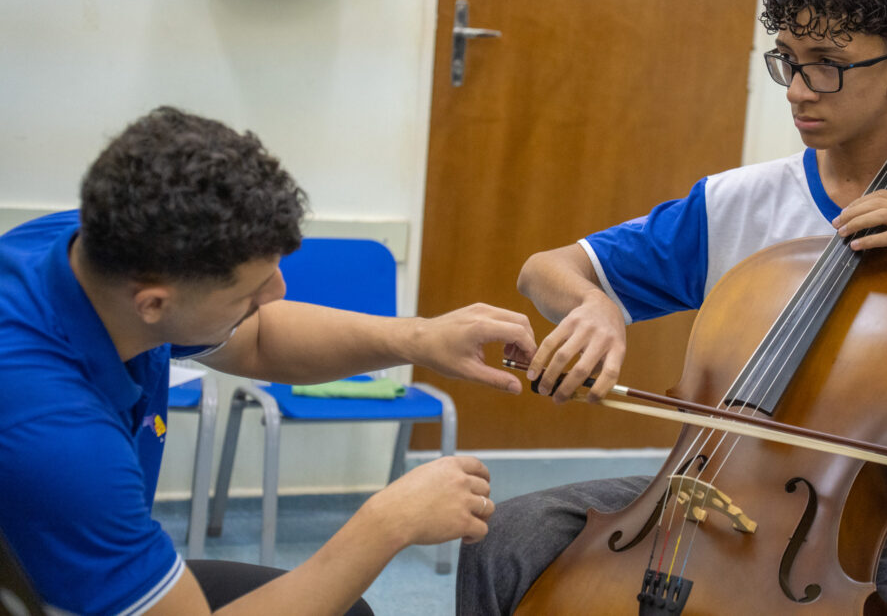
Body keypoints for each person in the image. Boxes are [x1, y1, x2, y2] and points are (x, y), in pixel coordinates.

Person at [457, 0, 887, 613]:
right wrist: (596, 305)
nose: (798, 89)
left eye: (827, 65)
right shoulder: (736, 200)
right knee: (502, 535)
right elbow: (545, 269)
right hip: (708, 480)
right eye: (788, 61)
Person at [0, 106, 537, 615]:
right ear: (154, 303)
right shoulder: (58, 433)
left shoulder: (95, 247)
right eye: (251, 289)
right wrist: (386, 523)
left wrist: (418, 338)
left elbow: (257, 338)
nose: (276, 294)